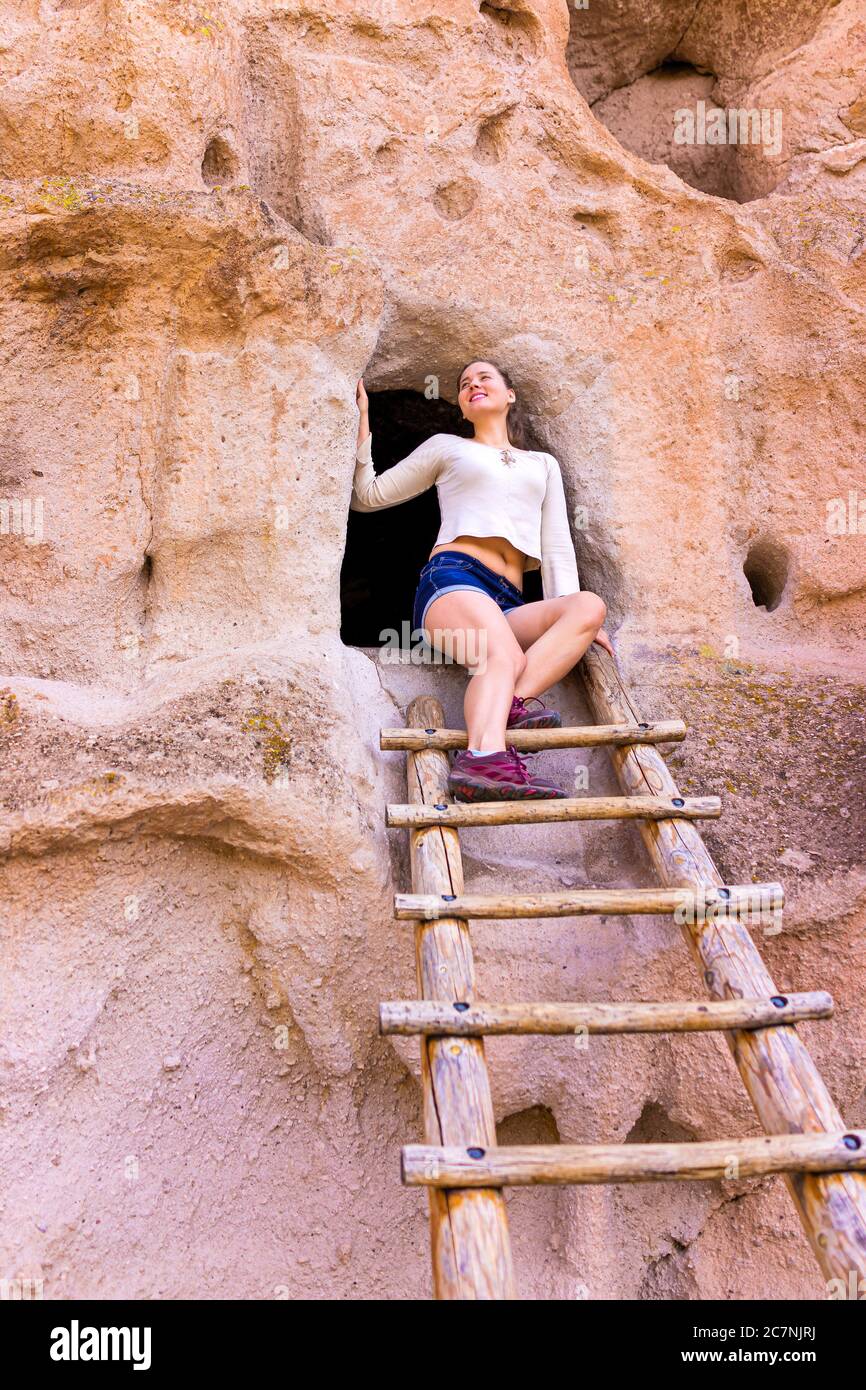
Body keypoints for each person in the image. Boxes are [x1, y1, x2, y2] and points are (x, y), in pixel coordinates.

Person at [351, 359, 612, 801]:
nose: (473, 385)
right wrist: (361, 422)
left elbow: (556, 545)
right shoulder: (447, 447)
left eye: (484, 378)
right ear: (462, 406)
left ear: (509, 395)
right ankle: (483, 759)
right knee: (501, 655)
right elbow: (369, 497)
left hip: (508, 600)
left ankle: (508, 705)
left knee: (589, 607)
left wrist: (574, 623)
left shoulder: (542, 464)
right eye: (464, 384)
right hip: (452, 580)